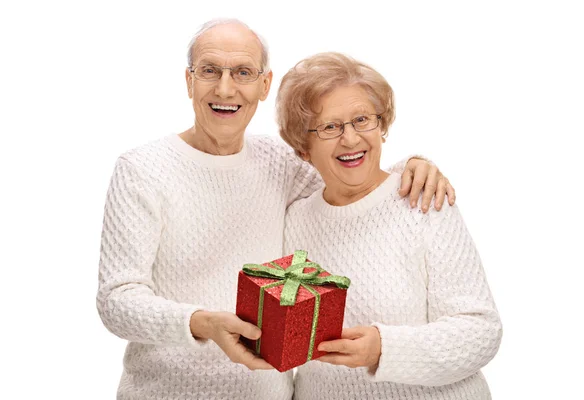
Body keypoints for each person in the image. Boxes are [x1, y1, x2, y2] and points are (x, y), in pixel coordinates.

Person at [97, 19, 454, 400]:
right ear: (189, 81)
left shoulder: (279, 162)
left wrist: (412, 165)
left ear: (264, 85)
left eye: (243, 72)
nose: (225, 88)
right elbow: (116, 300)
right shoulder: (142, 170)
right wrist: (202, 324)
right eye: (209, 71)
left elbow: (348, 172)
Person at [279, 52, 502, 400]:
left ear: (382, 126)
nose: (351, 139)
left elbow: (480, 330)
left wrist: (385, 348)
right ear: (302, 147)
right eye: (330, 127)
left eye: (362, 120)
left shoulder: (422, 201)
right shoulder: (294, 222)